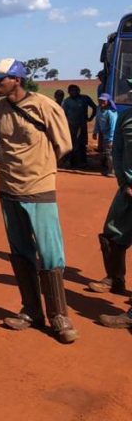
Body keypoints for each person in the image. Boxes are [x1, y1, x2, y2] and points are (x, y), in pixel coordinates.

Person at [0, 59, 77, 343]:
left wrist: (40, 169)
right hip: (8, 188)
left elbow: (64, 144)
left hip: (39, 188)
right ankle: (31, 310)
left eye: (0, 80)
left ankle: (59, 316)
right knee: (21, 251)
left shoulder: (44, 106)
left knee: (49, 252)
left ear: (17, 80)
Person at [95, 103, 132, 329]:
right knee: (112, 232)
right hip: (128, 189)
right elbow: (117, 150)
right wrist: (123, 182)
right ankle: (115, 278)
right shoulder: (126, 117)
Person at [61, 84, 97, 168]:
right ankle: (73, 163)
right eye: (71, 91)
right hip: (71, 126)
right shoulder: (67, 101)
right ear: (69, 92)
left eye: (75, 90)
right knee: (72, 144)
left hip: (82, 125)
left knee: (82, 144)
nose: (73, 92)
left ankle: (84, 162)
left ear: (79, 91)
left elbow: (94, 107)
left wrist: (91, 117)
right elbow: (63, 114)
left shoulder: (85, 98)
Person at [93, 93, 118, 177]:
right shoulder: (99, 109)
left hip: (111, 136)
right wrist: (95, 132)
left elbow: (113, 127)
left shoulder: (111, 113)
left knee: (110, 153)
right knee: (107, 153)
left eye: (103, 100)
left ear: (108, 101)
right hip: (104, 135)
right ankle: (109, 169)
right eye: (100, 100)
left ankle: (113, 171)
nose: (101, 102)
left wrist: (111, 139)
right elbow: (97, 121)